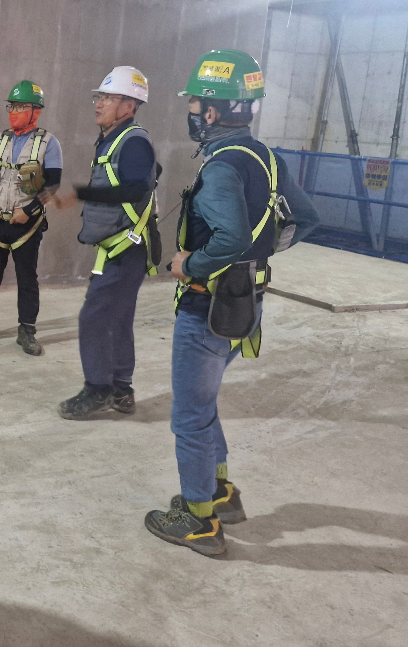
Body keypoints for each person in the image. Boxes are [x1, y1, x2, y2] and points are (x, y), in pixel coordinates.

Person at [144, 50, 319, 556]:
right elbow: (305, 218)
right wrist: (258, 258)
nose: (192, 111)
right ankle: (220, 492)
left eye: (195, 104)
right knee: (203, 404)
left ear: (212, 111)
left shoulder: (221, 167)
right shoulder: (266, 157)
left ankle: (200, 519)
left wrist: (190, 264)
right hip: (245, 303)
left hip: (207, 308)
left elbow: (231, 237)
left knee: (189, 416)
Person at [53, 66, 159, 420]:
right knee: (117, 318)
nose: (99, 104)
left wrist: (81, 193)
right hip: (120, 248)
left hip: (125, 249)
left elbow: (135, 188)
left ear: (129, 105)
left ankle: (98, 389)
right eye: (99, 97)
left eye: (109, 98)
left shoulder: (134, 141)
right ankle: (121, 389)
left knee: (95, 317)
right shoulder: (117, 138)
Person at [0, 81, 63, 356]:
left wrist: (28, 211)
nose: (14, 112)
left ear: (36, 110)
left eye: (20, 107)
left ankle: (27, 331)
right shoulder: (0, 140)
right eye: (11, 107)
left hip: (26, 224)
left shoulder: (49, 143)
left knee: (27, 279)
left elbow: (53, 184)